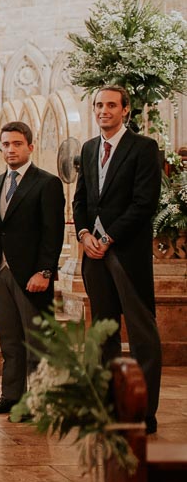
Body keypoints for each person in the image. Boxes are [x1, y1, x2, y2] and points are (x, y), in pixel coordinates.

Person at [72, 85, 163, 433]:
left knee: (142, 335)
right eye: (98, 105)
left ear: (125, 110)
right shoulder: (90, 147)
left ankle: (143, 410)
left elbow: (144, 204)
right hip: (93, 254)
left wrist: (107, 238)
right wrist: (84, 236)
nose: (103, 110)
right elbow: (80, 201)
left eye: (111, 105)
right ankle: (107, 404)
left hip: (126, 253)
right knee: (103, 333)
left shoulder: (143, 148)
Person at [0, 121, 65, 416]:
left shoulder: (46, 183)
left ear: (30, 146)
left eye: (16, 144)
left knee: (36, 343)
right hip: (0, 273)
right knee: (10, 341)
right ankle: (11, 396)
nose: (10, 149)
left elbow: (53, 233)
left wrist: (45, 272)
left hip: (31, 275)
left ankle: (39, 401)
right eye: (5, 144)